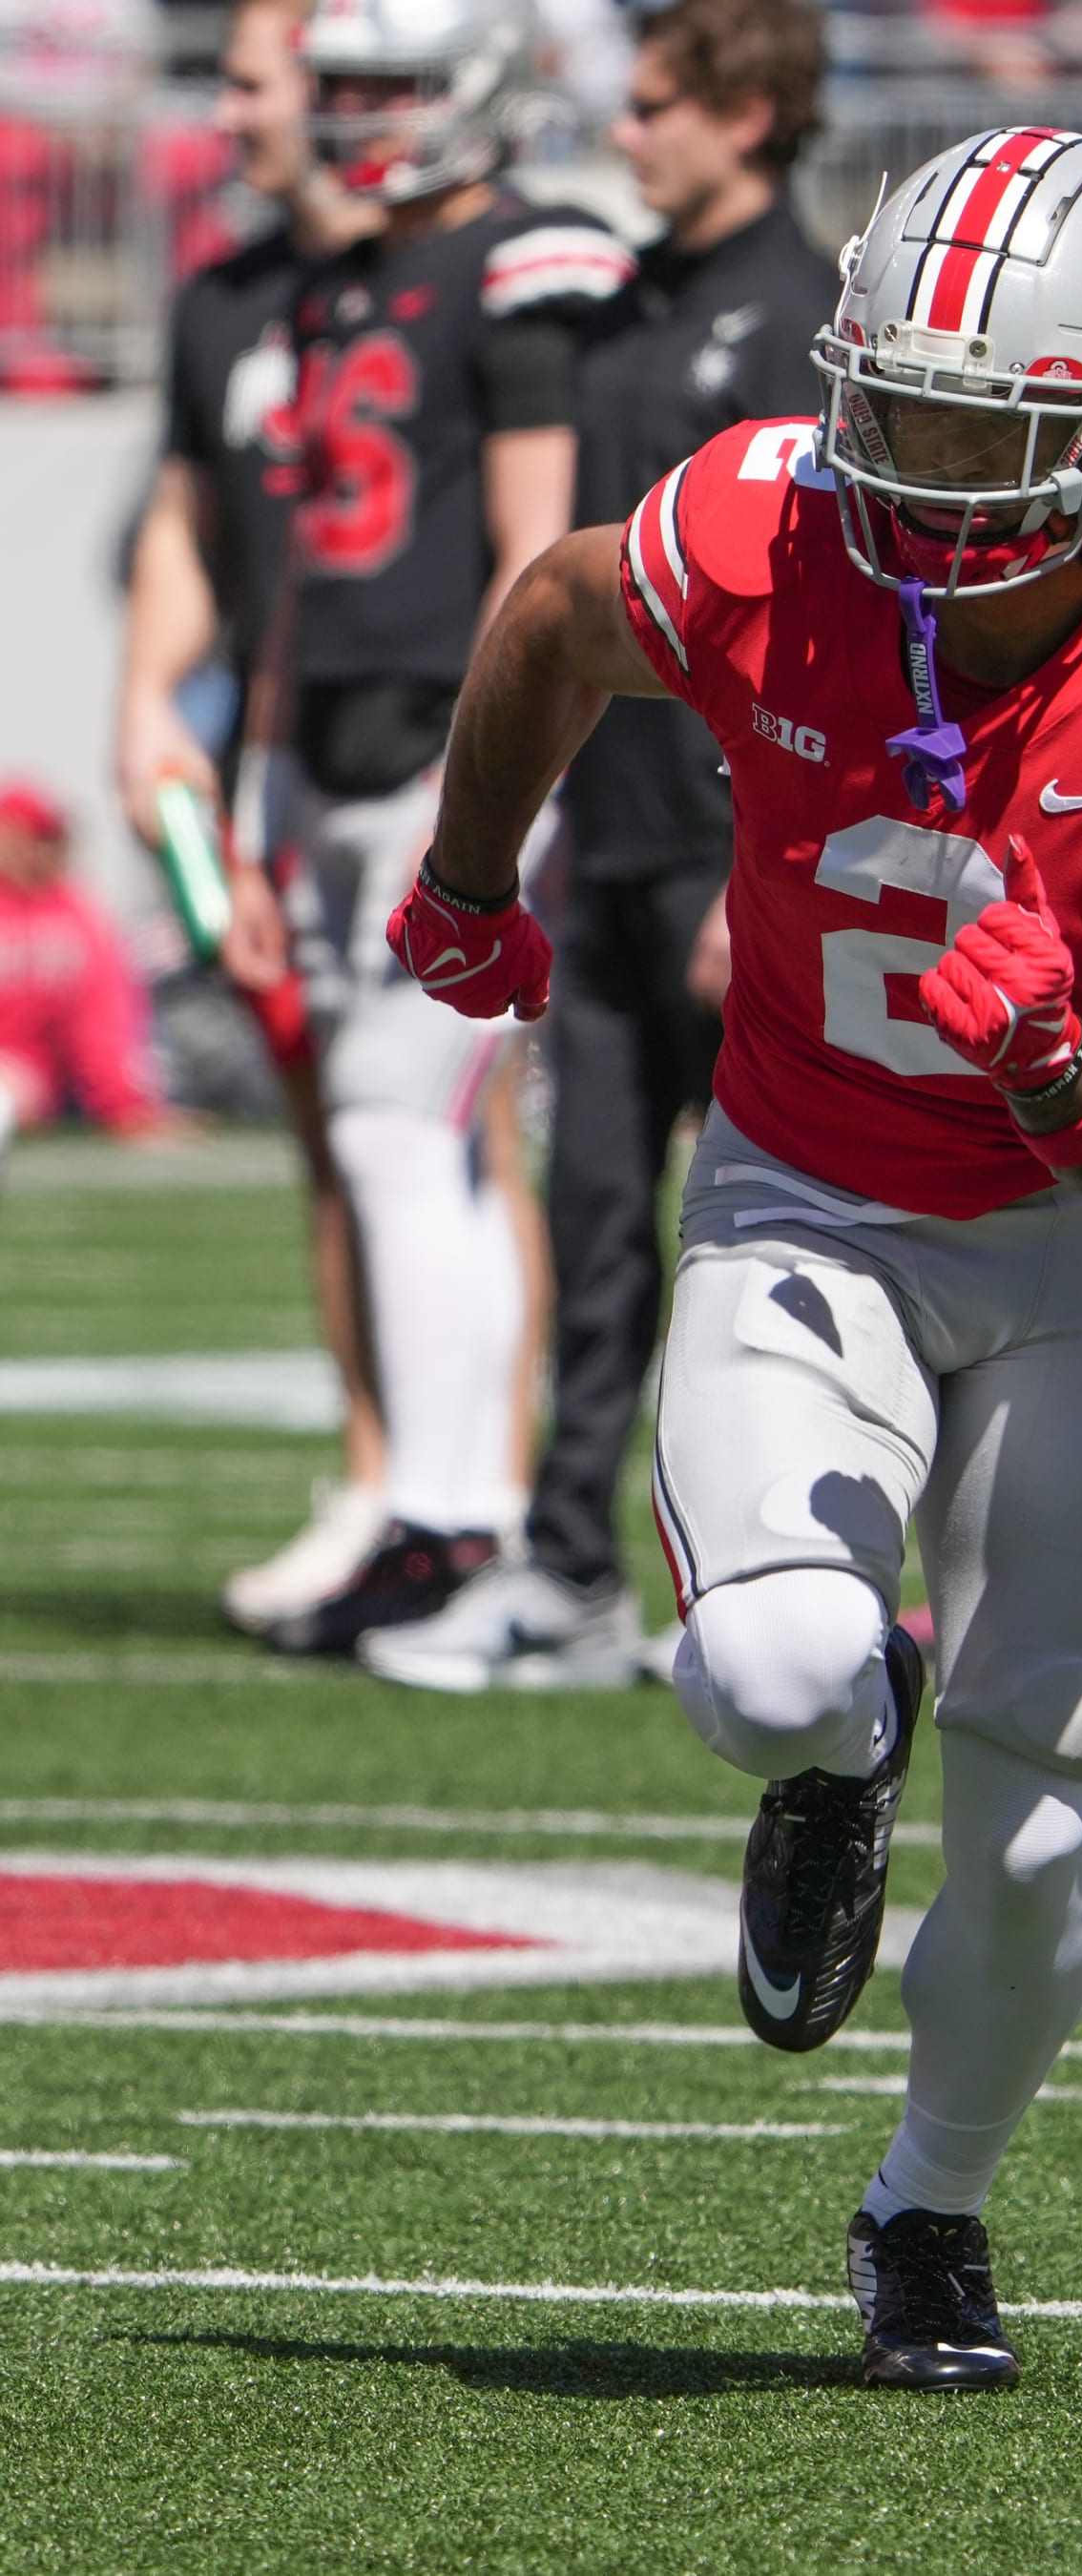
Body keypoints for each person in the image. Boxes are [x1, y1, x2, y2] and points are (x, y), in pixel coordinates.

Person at [388, 129, 1082, 2387]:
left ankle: (927, 2203)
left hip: (1063, 1245)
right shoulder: (766, 525)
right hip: (806, 1191)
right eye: (898, 407)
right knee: (771, 1671)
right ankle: (845, 1745)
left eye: (987, 433)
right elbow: (554, 609)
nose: (920, 475)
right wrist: (470, 876)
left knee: (1038, 1827)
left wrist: (1054, 1062)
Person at [360, 0, 835, 1693]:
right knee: (601, 1219)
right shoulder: (624, 305)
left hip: (746, 860)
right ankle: (572, 1576)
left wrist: (762, 855)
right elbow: (585, 604)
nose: (626, 136)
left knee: (790, 1248)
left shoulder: (810, 318)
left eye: (655, 108)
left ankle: (804, 1591)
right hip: (615, 841)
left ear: (752, 111)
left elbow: (818, 626)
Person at [222, 0, 634, 1653]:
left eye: (393, 88)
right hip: (328, 741)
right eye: (349, 91)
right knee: (400, 1139)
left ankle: (448, 1515)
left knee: (405, 1129)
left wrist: (491, 792)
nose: (362, 120)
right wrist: (260, 776)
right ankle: (440, 1512)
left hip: (443, 766)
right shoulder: (332, 277)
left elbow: (536, 569)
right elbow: (301, 562)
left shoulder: (527, 264)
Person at [114, 0, 402, 1634]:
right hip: (279, 754)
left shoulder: (430, 284)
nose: (225, 114)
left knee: (438, 1133)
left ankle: (465, 1479)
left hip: (413, 746)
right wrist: (146, 701)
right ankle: (379, 1467)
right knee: (329, 1123)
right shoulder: (226, 302)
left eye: (250, 83)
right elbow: (182, 518)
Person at [0, 779, 168, 1153]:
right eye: (37, 835)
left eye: (53, 837)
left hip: (45, 1100)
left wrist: (126, 1108)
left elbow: (103, 1025)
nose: (48, 848)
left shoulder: (77, 914)